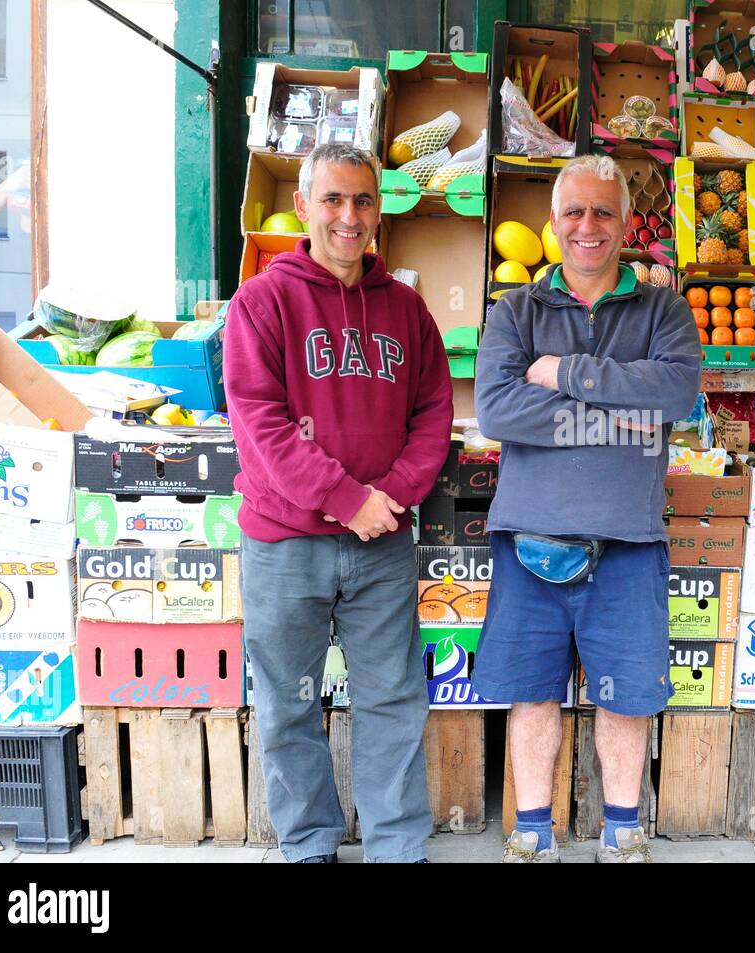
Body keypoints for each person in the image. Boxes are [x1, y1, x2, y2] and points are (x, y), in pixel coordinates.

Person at [225, 142, 454, 863]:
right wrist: (346, 498)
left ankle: (396, 847)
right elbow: (258, 424)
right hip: (283, 541)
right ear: (303, 207)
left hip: (381, 543)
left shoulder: (409, 311)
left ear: (379, 210)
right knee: (289, 702)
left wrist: (388, 498)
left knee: (391, 701)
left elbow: (434, 417)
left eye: (362, 201)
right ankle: (308, 845)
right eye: (333, 199)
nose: (349, 217)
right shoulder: (262, 302)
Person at [471, 154, 701, 863]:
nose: (588, 226)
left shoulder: (663, 309)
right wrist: (620, 413)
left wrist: (565, 374)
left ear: (627, 222)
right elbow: (496, 409)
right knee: (533, 693)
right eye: (574, 212)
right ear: (552, 222)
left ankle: (623, 831)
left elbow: (672, 398)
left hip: (628, 542)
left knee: (627, 695)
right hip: (528, 541)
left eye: (603, 212)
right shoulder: (516, 309)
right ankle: (533, 833)